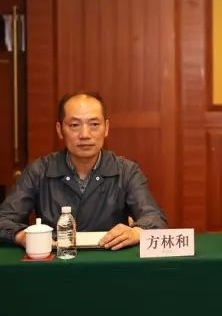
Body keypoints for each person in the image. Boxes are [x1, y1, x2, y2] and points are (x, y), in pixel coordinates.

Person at [0, 92, 167, 250]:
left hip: (110, 260)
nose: (85, 134)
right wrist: (21, 236)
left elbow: (155, 219)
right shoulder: (39, 171)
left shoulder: (126, 171)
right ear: (60, 129)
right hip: (56, 261)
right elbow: (4, 219)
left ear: (106, 128)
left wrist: (136, 232)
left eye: (94, 124)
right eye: (74, 125)